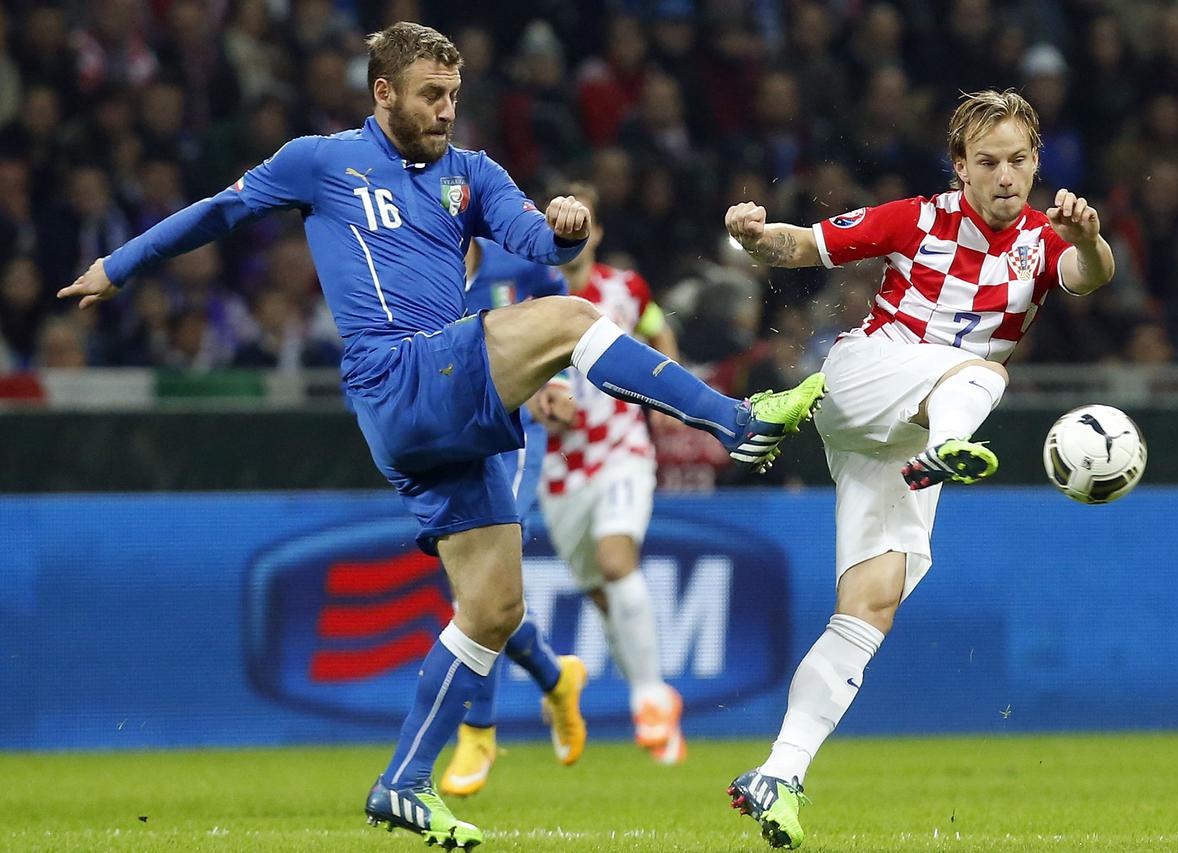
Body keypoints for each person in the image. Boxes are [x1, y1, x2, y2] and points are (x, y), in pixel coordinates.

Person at [58, 23, 827, 849]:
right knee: (571, 318)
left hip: (440, 411)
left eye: (454, 95)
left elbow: (537, 241)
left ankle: (404, 782)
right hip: (396, 372)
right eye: (431, 94)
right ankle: (734, 421)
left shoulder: (474, 174)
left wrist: (566, 227)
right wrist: (119, 265)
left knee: (494, 609)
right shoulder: (320, 162)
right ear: (382, 91)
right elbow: (218, 211)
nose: (445, 110)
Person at [721, 89, 1115, 849]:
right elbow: (801, 245)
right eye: (989, 162)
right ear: (960, 166)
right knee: (984, 376)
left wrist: (1091, 236)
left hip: (902, 437)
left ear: (1036, 163)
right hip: (868, 377)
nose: (1006, 176)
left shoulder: (1045, 237)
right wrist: (752, 235)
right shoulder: (919, 217)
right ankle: (820, 400)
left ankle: (779, 770)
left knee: (870, 605)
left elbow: (1089, 276)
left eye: (1019, 161)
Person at [539, 183, 687, 765]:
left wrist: (672, 392)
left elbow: (656, 333)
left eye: (584, 225)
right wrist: (537, 405)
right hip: (558, 468)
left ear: (595, 233)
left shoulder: (626, 290)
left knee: (615, 559)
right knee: (605, 599)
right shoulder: (528, 296)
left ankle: (649, 698)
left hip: (623, 448)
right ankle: (655, 700)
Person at [437, 235, 587, 798]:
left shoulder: (519, 266)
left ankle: (478, 733)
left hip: (512, 440)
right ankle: (557, 676)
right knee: (484, 597)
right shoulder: (415, 274)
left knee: (478, 592)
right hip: (449, 445)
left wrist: (558, 379)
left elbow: (557, 303)